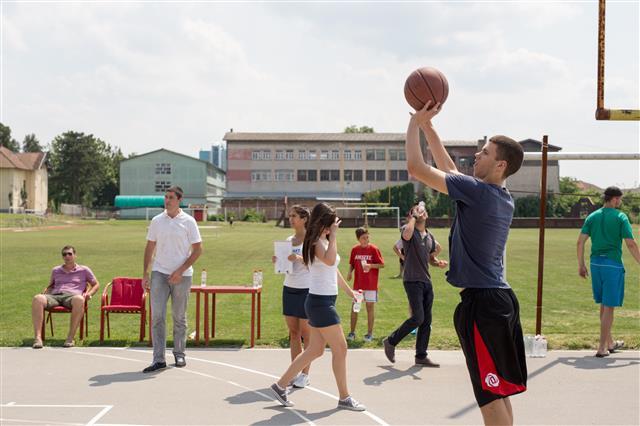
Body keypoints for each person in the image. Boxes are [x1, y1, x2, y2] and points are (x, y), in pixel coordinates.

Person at [405, 101, 527, 426]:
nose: (477, 155)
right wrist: (430, 128)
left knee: (489, 399)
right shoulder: (498, 195)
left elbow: (417, 168)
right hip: (497, 299)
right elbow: (450, 172)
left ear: (500, 165)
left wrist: (414, 124)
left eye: (485, 152)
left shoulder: (478, 193)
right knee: (497, 391)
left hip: (484, 305)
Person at [270, 203, 365, 411]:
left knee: (315, 349)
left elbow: (334, 271)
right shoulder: (314, 243)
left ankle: (280, 385)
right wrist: (335, 236)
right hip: (319, 302)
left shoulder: (323, 240)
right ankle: (344, 397)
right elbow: (330, 261)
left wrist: (351, 293)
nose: (334, 226)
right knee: (340, 348)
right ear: (323, 222)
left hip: (323, 300)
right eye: (331, 222)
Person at [142, 186, 202, 373]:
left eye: (170, 197)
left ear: (179, 200)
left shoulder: (189, 221)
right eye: (165, 197)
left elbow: (198, 249)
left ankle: (179, 354)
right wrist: (145, 272)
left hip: (182, 276)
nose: (167, 200)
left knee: (179, 317)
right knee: (157, 316)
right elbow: (150, 247)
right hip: (159, 273)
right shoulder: (157, 221)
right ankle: (158, 359)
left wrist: (181, 270)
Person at [577, 186, 640, 357]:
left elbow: (580, 242)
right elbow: (631, 244)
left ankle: (610, 343)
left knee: (604, 305)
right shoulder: (621, 217)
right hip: (612, 265)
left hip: (595, 264)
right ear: (614, 199)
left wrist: (581, 265)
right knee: (609, 307)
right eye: (619, 199)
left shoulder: (592, 216)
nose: (620, 202)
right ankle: (602, 347)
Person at [382, 204, 446, 367]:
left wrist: (437, 263)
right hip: (412, 280)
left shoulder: (429, 236)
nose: (420, 211)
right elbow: (407, 235)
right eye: (416, 210)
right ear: (412, 215)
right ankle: (390, 341)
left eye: (422, 210)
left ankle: (421, 355)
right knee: (418, 317)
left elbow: (430, 258)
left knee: (426, 320)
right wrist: (413, 218)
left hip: (426, 281)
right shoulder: (408, 229)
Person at [272, 205, 312, 388]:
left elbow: (316, 264)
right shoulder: (288, 240)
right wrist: (278, 260)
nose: (291, 219)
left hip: (306, 289)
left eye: (294, 216)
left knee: (306, 333)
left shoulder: (312, 240)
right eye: (290, 216)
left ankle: (305, 374)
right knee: (294, 333)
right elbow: (284, 264)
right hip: (289, 288)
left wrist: (299, 259)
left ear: (304, 219)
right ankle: (294, 372)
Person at [31, 245, 100, 348]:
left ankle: (70, 338)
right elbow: (51, 286)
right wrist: (45, 294)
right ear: (62, 257)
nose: (67, 256)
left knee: (79, 299)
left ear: (75, 255)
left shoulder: (84, 270)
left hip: (72, 297)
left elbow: (96, 284)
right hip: (55, 296)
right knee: (37, 298)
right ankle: (38, 338)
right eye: (64, 254)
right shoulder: (56, 270)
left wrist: (89, 294)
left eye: (70, 254)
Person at [346, 227, 385, 342]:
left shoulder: (374, 249)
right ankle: (352, 333)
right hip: (358, 285)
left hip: (371, 285)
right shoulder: (355, 250)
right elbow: (352, 263)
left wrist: (371, 266)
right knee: (355, 308)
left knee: (369, 308)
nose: (366, 239)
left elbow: (382, 264)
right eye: (363, 238)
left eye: (367, 237)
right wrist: (349, 273)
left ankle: (369, 334)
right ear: (358, 239)